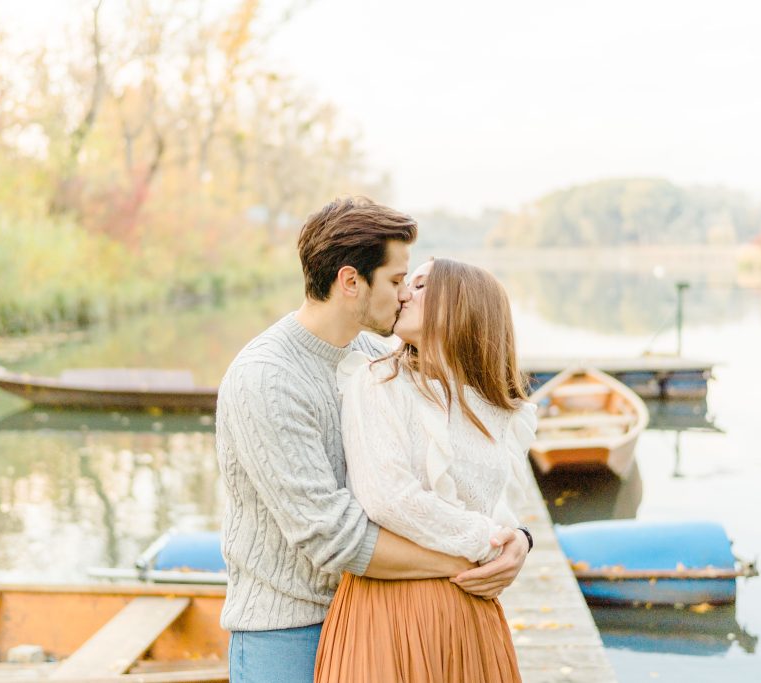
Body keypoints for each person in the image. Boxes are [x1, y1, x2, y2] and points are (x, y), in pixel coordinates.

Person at [216, 197, 532, 682]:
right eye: (396, 281)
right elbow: (332, 536)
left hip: (376, 610)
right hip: (287, 630)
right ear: (350, 282)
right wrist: (477, 557)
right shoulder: (267, 379)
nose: (405, 294)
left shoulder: (375, 353)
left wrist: (518, 541)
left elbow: (462, 462)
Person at [315, 257, 538, 683]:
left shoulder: (501, 409)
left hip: (472, 609)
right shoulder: (377, 381)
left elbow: (504, 508)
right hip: (391, 607)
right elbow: (388, 498)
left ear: (461, 303)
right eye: (405, 282)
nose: (403, 293)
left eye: (420, 286)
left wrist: (519, 542)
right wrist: (488, 544)